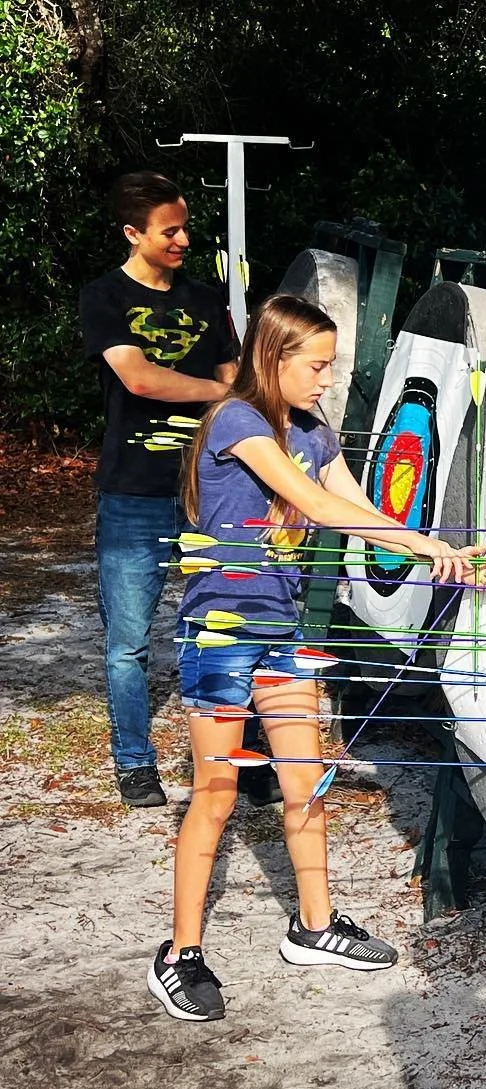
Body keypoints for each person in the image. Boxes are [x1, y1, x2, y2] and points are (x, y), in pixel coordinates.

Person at [148, 293, 486, 1023]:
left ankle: (314, 925)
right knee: (215, 795)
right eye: (315, 365)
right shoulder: (238, 421)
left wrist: (442, 555)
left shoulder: (315, 431)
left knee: (305, 782)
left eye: (331, 366)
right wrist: (423, 546)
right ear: (272, 359)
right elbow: (312, 501)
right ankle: (180, 954)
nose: (325, 380)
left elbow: (361, 511)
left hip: (281, 635)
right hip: (220, 633)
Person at [80, 172, 240, 807]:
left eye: (184, 227)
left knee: (232, 626)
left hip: (214, 487)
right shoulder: (104, 297)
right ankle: (135, 763)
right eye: (169, 230)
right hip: (134, 493)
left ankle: (238, 762)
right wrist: (222, 394)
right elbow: (140, 379)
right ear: (133, 233)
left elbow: (235, 368)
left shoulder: (207, 297)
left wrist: (230, 392)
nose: (183, 239)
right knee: (129, 643)